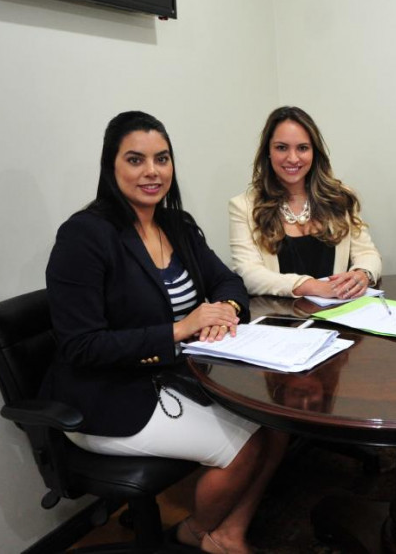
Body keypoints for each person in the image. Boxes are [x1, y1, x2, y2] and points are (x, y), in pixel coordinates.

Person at [43, 111, 287, 554]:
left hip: (174, 374)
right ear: (111, 166)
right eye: (135, 160)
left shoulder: (177, 224)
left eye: (162, 158)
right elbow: (81, 345)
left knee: (278, 424)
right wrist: (180, 329)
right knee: (247, 446)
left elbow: (228, 282)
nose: (152, 172)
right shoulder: (84, 236)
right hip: (108, 394)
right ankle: (195, 532)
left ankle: (227, 534)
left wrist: (226, 311)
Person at [229, 106, 382, 299]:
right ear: (268, 151)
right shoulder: (242, 206)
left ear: (314, 152)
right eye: (281, 147)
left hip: (339, 315)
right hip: (279, 319)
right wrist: (308, 286)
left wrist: (362, 274)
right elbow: (248, 273)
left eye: (302, 148)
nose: (292, 158)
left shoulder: (340, 198)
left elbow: (368, 253)